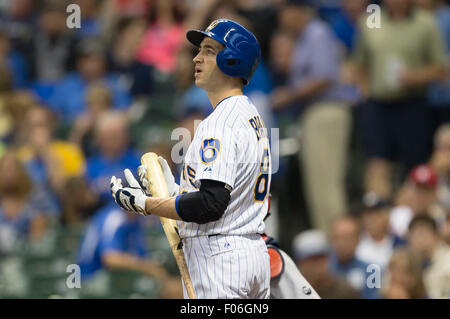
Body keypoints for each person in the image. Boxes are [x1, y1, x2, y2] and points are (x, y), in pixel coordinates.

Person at [110, 19, 272, 299]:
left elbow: (211, 204)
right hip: (251, 253)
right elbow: (225, 196)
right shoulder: (250, 115)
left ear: (232, 59)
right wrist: (174, 189)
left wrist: (145, 204)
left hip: (220, 260)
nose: (197, 57)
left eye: (209, 50)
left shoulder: (219, 123)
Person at [272, 0, 354, 235]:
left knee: (326, 184)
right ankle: (332, 242)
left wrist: (291, 94)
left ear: (297, 11)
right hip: (315, 113)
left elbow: (326, 76)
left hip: (326, 110)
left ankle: (338, 242)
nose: (283, 19)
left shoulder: (316, 32)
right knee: (319, 185)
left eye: (285, 13)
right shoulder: (306, 38)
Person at [352, 0, 447, 199]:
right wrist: (364, 90)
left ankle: (413, 214)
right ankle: (378, 213)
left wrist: (415, 76)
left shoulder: (425, 22)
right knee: (377, 161)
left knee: (416, 162)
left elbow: (440, 68)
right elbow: (359, 62)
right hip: (377, 104)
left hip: (412, 103)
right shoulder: (372, 19)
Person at [76, 202, 181, 298]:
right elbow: (110, 259)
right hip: (91, 277)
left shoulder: (136, 220)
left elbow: (141, 257)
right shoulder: (114, 217)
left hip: (116, 279)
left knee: (174, 289)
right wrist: (150, 269)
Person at [292, 229, 361, 299]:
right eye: (312, 259)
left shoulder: (346, 291)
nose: (318, 264)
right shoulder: (293, 293)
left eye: (321, 257)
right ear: (300, 263)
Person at [329, 216, 380, 298]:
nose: (341, 243)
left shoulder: (372, 271)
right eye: (336, 237)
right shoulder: (325, 270)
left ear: (357, 240)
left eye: (346, 238)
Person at [355, 192, 406, 271]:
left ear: (386, 216)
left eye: (375, 215)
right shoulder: (357, 246)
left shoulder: (401, 244)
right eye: (366, 216)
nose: (370, 220)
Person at [390, 164, 440, 239]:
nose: (421, 195)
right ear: (408, 190)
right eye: (417, 189)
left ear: (434, 193)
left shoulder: (440, 218)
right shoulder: (396, 216)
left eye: (425, 190)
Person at [408, 214, 450, 298]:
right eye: (415, 235)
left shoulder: (447, 260)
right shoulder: (406, 261)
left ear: (436, 235)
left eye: (423, 234)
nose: (420, 240)